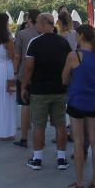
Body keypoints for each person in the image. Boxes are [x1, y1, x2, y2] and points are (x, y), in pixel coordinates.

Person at [20, 13, 71, 171]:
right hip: (59, 90)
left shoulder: (35, 43)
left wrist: (23, 86)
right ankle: (61, 158)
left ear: (42, 24)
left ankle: (37, 159)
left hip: (39, 90)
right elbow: (69, 66)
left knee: (39, 125)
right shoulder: (63, 42)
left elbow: (29, 67)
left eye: (37, 23)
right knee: (60, 124)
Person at [61, 24, 95, 188]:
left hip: (77, 101)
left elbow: (64, 78)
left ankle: (79, 183)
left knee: (78, 142)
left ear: (80, 36)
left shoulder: (74, 56)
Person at [12, 9, 41, 149]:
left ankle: (24, 138)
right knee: (39, 107)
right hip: (40, 75)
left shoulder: (22, 34)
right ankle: (39, 138)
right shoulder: (44, 33)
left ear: (29, 19)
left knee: (25, 105)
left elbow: (17, 55)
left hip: (24, 74)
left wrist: (15, 70)